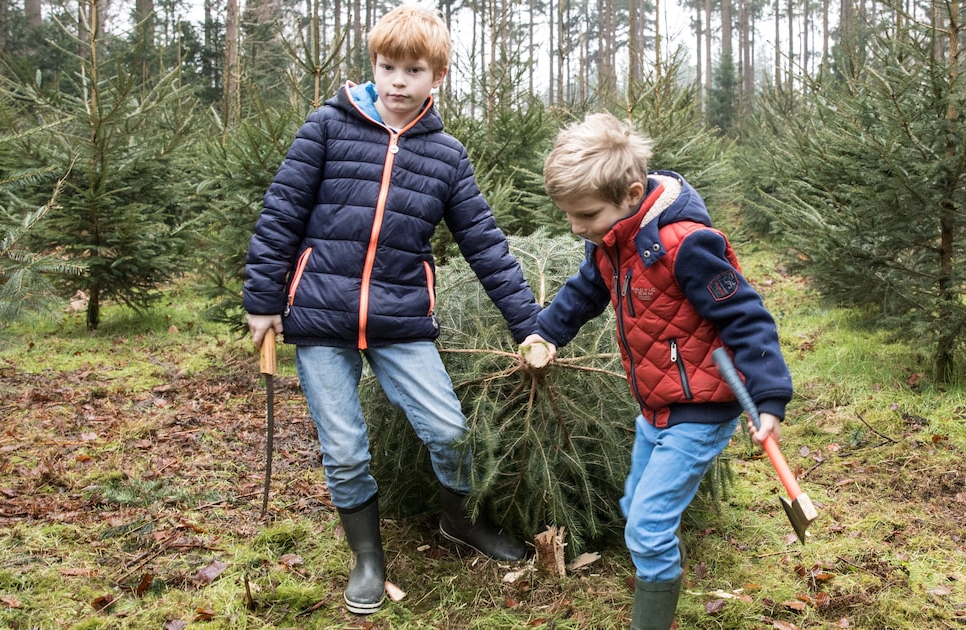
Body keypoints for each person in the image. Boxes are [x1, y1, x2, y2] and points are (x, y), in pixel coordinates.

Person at [243, 5, 537, 616]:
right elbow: (280, 215)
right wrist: (264, 301)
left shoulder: (446, 156)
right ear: (373, 66)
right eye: (387, 67)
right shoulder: (328, 127)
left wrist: (531, 328)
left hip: (400, 319)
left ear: (438, 77)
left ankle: (460, 521)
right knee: (345, 449)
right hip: (320, 317)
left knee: (450, 431)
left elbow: (486, 246)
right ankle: (368, 558)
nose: (398, 81)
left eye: (414, 70)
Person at [520, 113, 794, 629]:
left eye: (585, 214)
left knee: (645, 527)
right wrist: (547, 333)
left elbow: (747, 318)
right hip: (655, 407)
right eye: (570, 216)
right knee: (636, 508)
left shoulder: (686, 245)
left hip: (701, 409)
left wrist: (770, 398)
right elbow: (586, 290)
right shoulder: (613, 239)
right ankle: (661, 571)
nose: (576, 227)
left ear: (630, 194)